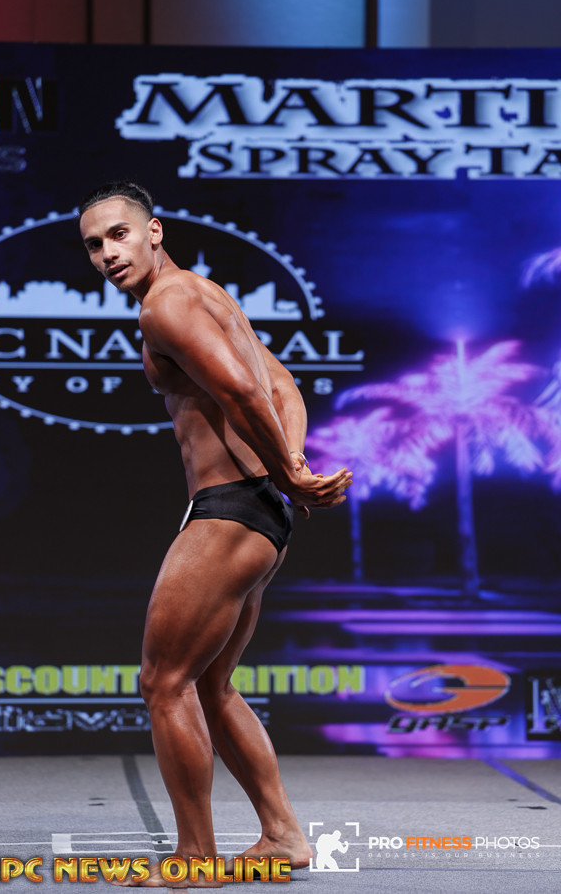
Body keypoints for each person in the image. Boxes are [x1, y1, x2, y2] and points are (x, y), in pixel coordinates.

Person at [79, 181, 352, 887]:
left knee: (163, 683)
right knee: (209, 685)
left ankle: (194, 858)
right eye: (94, 245)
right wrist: (291, 468)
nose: (107, 254)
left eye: (118, 235)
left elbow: (242, 392)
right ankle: (282, 836)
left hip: (230, 508)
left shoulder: (165, 305)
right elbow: (284, 387)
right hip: (257, 510)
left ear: (154, 231)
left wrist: (288, 472)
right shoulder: (208, 294)